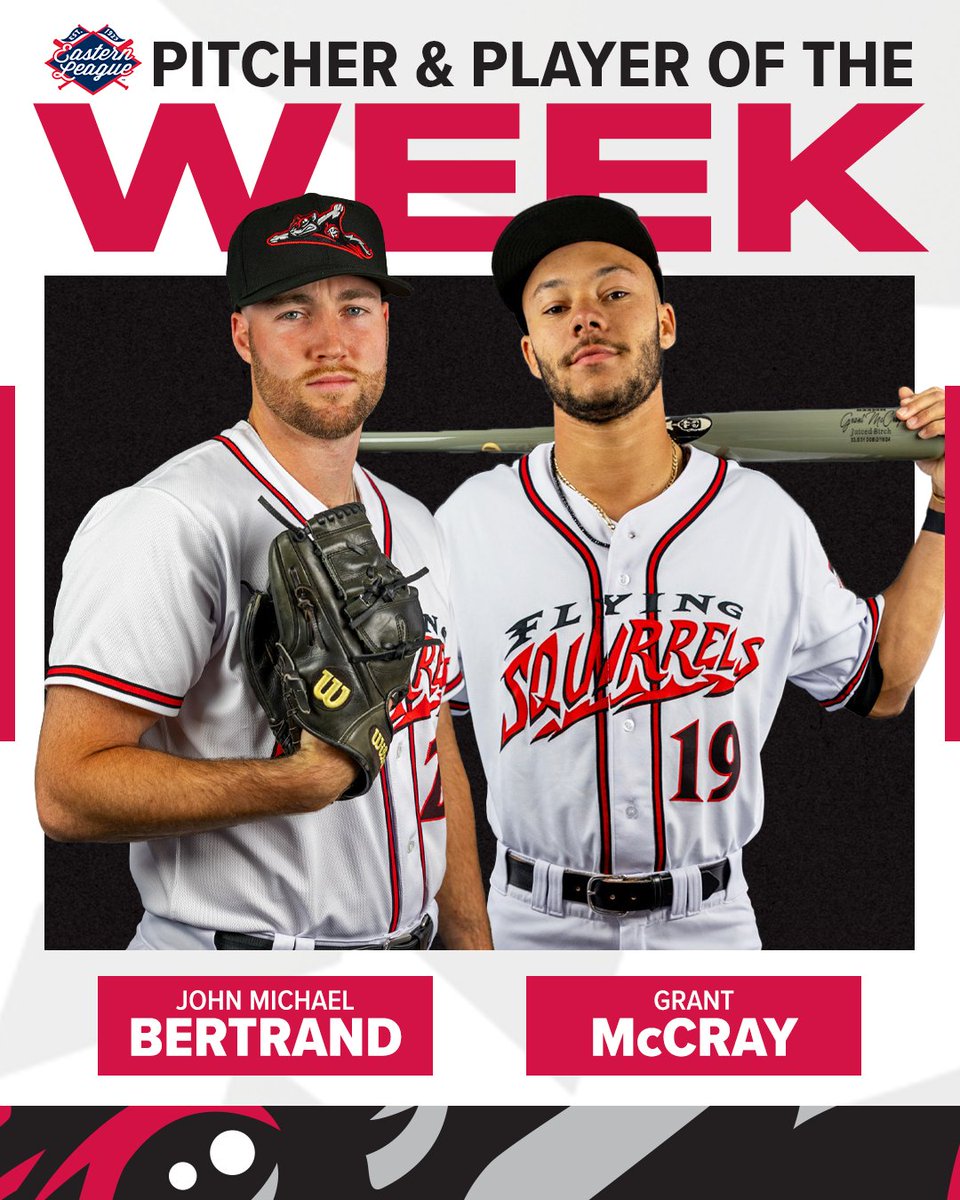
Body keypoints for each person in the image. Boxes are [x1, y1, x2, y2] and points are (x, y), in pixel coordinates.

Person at [436, 194, 945, 950]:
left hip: (711, 924)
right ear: (531, 351)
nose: (587, 318)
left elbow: (882, 682)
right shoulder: (467, 524)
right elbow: (419, 734)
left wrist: (948, 503)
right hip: (528, 926)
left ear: (665, 322)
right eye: (555, 307)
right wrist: (469, 941)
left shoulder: (761, 516)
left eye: (615, 293)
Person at [36, 193, 492, 952]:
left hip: (413, 969)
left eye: (355, 307)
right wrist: (298, 783)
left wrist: (476, 955)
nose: (330, 341)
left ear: (386, 325)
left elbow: (429, 743)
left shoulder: (414, 523)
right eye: (291, 312)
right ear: (242, 335)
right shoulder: (169, 517)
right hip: (235, 980)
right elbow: (66, 789)